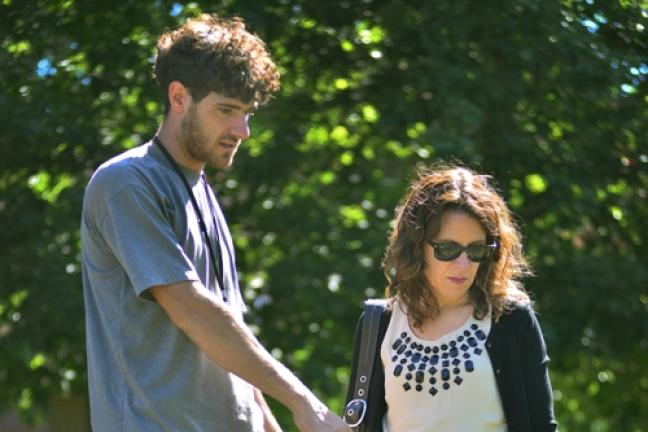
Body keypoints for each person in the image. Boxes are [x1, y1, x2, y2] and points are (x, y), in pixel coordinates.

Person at [81, 13, 349, 432]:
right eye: (226, 110)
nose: (241, 130)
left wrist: (267, 422)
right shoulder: (126, 183)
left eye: (247, 113)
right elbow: (191, 310)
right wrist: (301, 400)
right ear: (178, 97)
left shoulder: (204, 194)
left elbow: (228, 333)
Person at [346, 164, 558, 431]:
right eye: (448, 249)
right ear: (417, 246)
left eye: (476, 250)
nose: (463, 264)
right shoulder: (377, 325)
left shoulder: (512, 320)